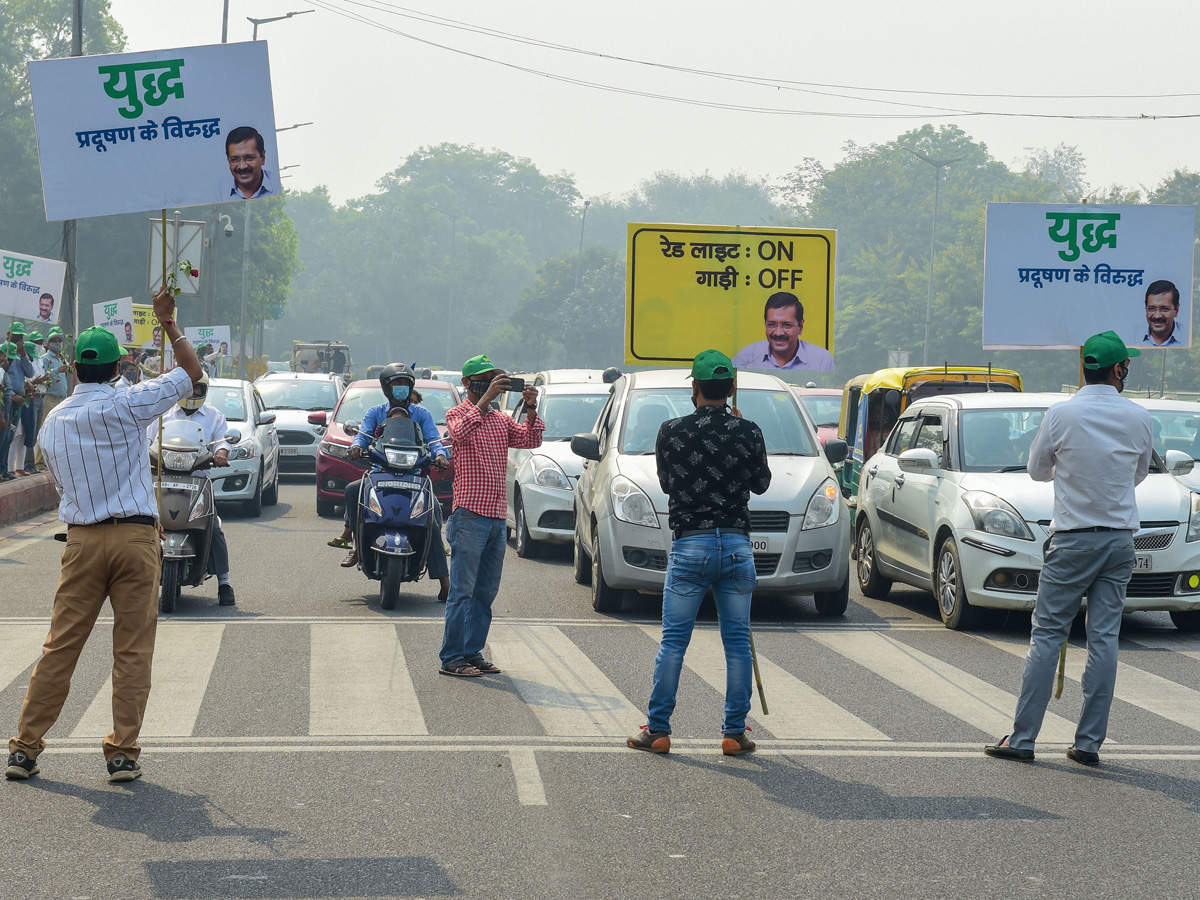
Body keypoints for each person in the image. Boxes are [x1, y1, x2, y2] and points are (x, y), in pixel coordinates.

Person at [5, 287, 203, 784]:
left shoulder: (51, 424)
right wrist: (169, 323)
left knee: (61, 646)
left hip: (82, 542)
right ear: (118, 369)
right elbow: (191, 374)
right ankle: (121, 753)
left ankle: (25, 748)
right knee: (132, 650)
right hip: (135, 540)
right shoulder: (130, 404)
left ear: (73, 368)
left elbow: (62, 483)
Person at [985, 331, 1152, 768]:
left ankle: (1022, 739)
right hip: (1117, 541)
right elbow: (1138, 474)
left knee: (1047, 636)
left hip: (1072, 539)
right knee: (1103, 639)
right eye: (1126, 366)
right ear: (1118, 370)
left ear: (1085, 369)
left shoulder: (1061, 414)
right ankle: (1089, 744)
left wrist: (1072, 471)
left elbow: (1038, 470)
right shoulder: (1138, 417)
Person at [627, 350, 771, 756]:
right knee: (738, 644)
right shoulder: (749, 431)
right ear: (729, 389)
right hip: (737, 546)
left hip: (691, 545)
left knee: (673, 642)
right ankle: (733, 733)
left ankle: (658, 731)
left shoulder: (671, 430)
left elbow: (669, 483)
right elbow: (760, 484)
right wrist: (742, 433)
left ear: (694, 388)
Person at [438, 355, 543, 677]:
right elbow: (458, 435)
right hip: (469, 515)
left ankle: (472, 651)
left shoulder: (500, 420)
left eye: (495, 379)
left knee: (485, 593)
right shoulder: (458, 413)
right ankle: (452, 657)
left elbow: (531, 439)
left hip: (497, 517)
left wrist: (530, 408)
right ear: (468, 383)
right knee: (462, 591)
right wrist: (483, 402)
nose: (491, 384)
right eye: (484, 379)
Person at [328, 364, 452, 602]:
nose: (401, 389)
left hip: (415, 475)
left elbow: (434, 440)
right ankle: (354, 543)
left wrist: (439, 456)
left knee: (433, 512)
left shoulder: (422, 415)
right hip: (380, 471)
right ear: (387, 388)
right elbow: (363, 435)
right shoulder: (375, 413)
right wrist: (356, 447)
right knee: (354, 489)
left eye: (405, 385)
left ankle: (444, 580)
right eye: (396, 385)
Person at [150, 374, 237, 606]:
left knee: (213, 526)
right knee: (143, 521)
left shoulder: (214, 416)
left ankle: (224, 583)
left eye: (197, 389)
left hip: (198, 479)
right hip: (164, 478)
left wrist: (221, 453)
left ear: (204, 391)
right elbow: (148, 439)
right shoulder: (164, 414)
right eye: (188, 389)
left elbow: (222, 441)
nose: (192, 394)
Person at [731, 292, 834, 372]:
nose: (778, 333)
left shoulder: (822, 360)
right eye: (772, 324)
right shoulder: (746, 357)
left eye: (786, 325)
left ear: (800, 326)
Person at [33, 328, 71, 471]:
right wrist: (56, 370)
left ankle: (53, 461)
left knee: (58, 431)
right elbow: (41, 376)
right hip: (49, 397)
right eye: (54, 341)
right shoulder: (45, 358)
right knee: (44, 428)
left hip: (62, 398)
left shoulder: (61, 358)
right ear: (48, 344)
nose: (58, 343)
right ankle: (38, 461)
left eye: (60, 341)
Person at [4, 323, 35, 477]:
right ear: (9, 335)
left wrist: (23, 355)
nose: (18, 340)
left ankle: (9, 469)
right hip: (7, 399)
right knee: (7, 434)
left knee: (15, 434)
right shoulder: (3, 351)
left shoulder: (21, 355)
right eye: (16, 336)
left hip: (20, 399)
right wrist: (10, 396)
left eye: (20, 337)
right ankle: (6, 469)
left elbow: (30, 373)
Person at [225, 126, 273, 199]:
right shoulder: (218, 193)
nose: (242, 166)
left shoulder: (276, 186)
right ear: (228, 161)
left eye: (249, 158)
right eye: (235, 159)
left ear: (262, 158)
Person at [1142, 279, 1183, 346]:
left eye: (1164, 309)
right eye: (1152, 309)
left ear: (1176, 310)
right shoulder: (1132, 337)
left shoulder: (1188, 336)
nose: (1157, 316)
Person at [0, 342, 19, 481]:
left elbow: (8, 390)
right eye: (9, 359)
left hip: (8, 411)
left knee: (6, 441)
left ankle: (4, 470)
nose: (10, 362)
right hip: (2, 413)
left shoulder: (4, 373)